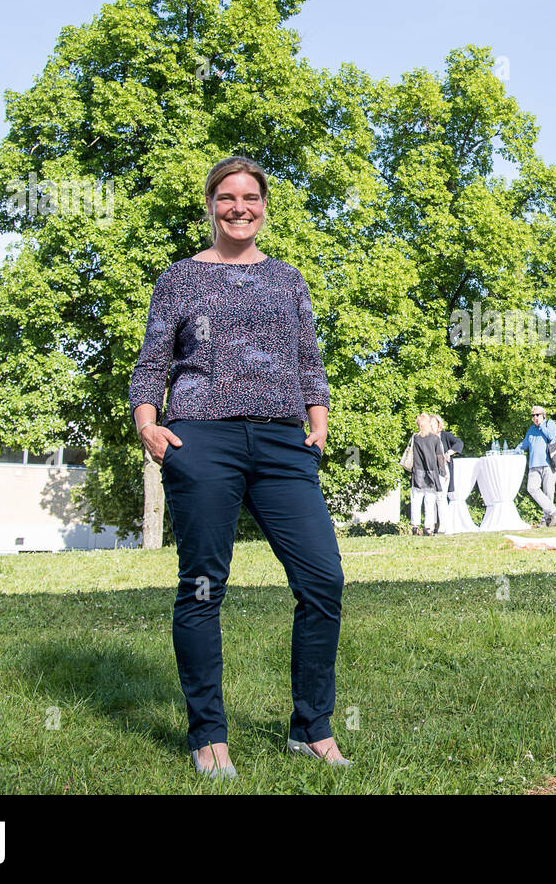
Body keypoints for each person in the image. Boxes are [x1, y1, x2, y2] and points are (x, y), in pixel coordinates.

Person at [128, 156, 348, 777]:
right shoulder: (179, 278)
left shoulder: (287, 279)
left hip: (283, 444)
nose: (239, 207)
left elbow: (309, 357)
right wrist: (149, 424)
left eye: (251, 197)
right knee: (203, 585)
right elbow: (153, 361)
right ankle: (209, 736)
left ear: (265, 207)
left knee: (323, 580)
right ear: (211, 205)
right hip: (202, 439)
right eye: (227, 197)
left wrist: (319, 421)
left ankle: (312, 728)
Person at [514, 405, 556, 526]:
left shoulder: (549, 424)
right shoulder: (531, 429)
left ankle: (546, 520)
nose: (535, 417)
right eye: (533, 415)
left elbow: (551, 436)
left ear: (543, 415)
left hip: (548, 464)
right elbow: (524, 444)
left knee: (548, 493)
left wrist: (541, 425)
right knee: (532, 488)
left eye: (537, 415)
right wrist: (515, 451)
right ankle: (554, 511)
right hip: (534, 464)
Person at [408, 413, 446, 536]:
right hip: (431, 472)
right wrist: (443, 472)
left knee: (416, 500)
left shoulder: (416, 438)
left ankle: (415, 525)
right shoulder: (435, 438)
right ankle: (428, 527)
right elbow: (439, 456)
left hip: (418, 472)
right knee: (430, 501)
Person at [432, 414, 462, 534]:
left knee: (441, 497)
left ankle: (443, 525)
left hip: (443, 470)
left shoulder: (445, 436)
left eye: (433, 424)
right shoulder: (427, 438)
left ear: (438, 425)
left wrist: (450, 452)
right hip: (431, 471)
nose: (431, 426)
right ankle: (432, 524)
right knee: (431, 498)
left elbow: (459, 443)